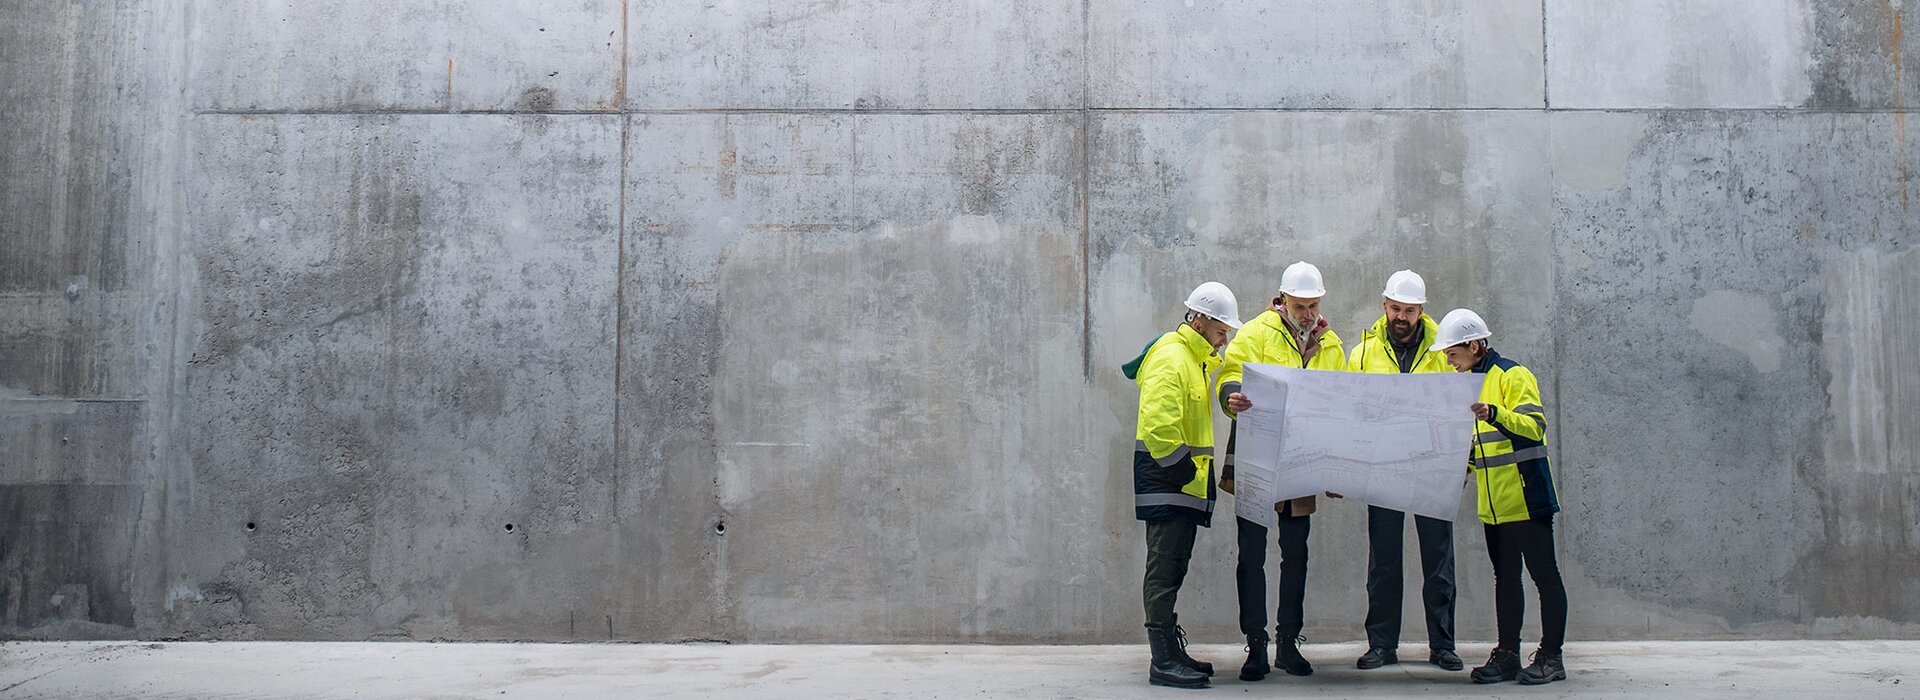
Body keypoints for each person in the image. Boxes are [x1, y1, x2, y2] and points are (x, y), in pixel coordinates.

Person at [1214, 261, 1346, 681]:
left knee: (1297, 554)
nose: (1307, 313)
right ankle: (1256, 646)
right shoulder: (1254, 332)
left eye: (1313, 305)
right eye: (1299, 304)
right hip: (1256, 451)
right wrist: (1232, 394)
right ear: (1282, 299)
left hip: (1302, 457)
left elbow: (1339, 405)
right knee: (1252, 554)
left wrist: (1335, 467)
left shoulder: (1332, 345)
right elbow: (1230, 373)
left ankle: (1288, 643)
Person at [1431, 308, 1568, 686]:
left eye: (1453, 354)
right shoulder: (1470, 382)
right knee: (1505, 579)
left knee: (1544, 576)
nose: (1449, 362)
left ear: (1474, 345)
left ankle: (1552, 658)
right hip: (1494, 505)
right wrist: (1463, 468)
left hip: (1527, 496)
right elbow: (1484, 446)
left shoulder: (1512, 374)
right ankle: (1508, 653)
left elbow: (1534, 427)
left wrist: (1494, 412)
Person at [1123, 281, 1248, 689]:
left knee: (1173, 566)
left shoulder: (1193, 359)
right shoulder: (1172, 358)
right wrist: (1182, 474)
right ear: (1199, 320)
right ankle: (1161, 660)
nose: (1224, 338)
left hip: (1181, 483)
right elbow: (1159, 427)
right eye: (1220, 330)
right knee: (1163, 569)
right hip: (1169, 482)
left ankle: (1170, 650)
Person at [1346, 270, 1461, 672]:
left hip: (1432, 468)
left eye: (1409, 310)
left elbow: (1460, 407)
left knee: (1438, 559)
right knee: (1384, 562)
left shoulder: (1444, 348)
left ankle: (1442, 645)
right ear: (1384, 306)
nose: (1401, 316)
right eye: (1395, 308)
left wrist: (1462, 460)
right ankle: (1381, 645)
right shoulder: (1361, 353)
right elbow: (1350, 412)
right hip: (1383, 467)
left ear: (1421, 310)